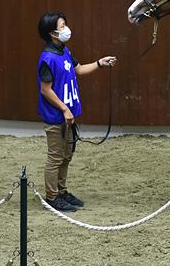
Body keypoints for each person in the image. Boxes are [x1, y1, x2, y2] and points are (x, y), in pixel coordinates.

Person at [37, 11, 116, 212]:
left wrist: (99, 63)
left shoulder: (65, 51)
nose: (66, 29)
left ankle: (62, 192)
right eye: (62, 26)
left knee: (66, 156)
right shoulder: (47, 59)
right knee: (55, 157)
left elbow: (79, 69)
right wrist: (64, 109)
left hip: (68, 116)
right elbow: (45, 90)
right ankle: (52, 197)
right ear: (52, 33)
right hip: (56, 117)